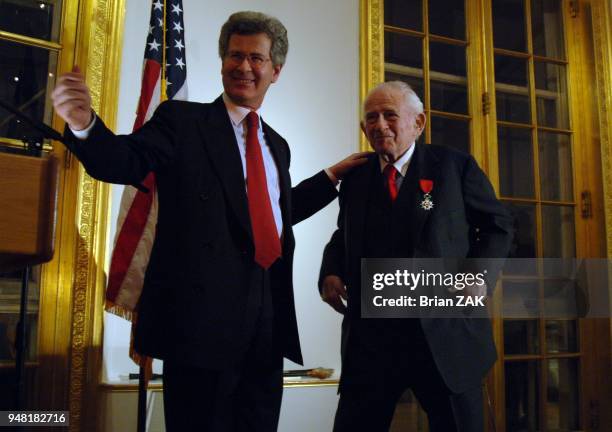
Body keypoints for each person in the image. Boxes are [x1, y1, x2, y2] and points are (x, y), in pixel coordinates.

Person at [52, 11, 367, 432]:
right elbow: (122, 160)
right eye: (235, 55)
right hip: (198, 330)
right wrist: (84, 124)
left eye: (256, 58)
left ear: (276, 70)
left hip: (266, 330)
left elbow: (271, 212)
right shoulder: (181, 123)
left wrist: (331, 177)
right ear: (222, 62)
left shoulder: (278, 145)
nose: (244, 67)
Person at [319, 81, 514, 432]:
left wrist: (478, 277)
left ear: (418, 122)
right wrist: (330, 273)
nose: (379, 125)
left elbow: (498, 227)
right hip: (372, 342)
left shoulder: (454, 167)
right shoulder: (356, 178)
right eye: (371, 118)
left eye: (390, 115)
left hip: (445, 336)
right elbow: (342, 236)